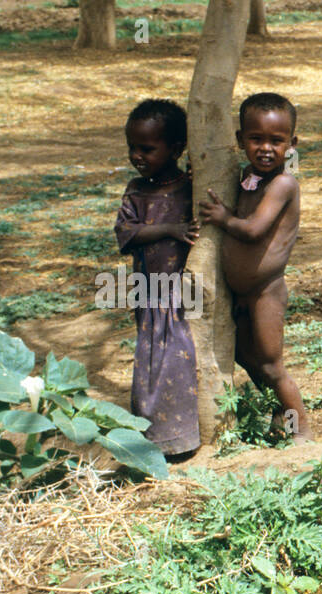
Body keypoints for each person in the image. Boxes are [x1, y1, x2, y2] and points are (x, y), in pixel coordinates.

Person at [198, 92, 310, 441]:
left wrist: (223, 217)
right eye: (256, 139)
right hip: (241, 294)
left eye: (276, 141)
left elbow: (253, 229)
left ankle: (301, 431)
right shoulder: (248, 177)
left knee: (272, 365)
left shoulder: (283, 184)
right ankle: (280, 411)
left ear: (292, 145)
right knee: (247, 357)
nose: (265, 148)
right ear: (240, 140)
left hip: (266, 292)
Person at [114, 98, 202, 458]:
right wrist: (171, 229)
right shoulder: (136, 190)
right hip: (149, 294)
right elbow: (126, 233)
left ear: (177, 149)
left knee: (178, 360)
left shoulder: (190, 188)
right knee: (151, 363)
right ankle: (156, 438)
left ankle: (181, 436)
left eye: (147, 148)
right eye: (132, 147)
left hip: (181, 295)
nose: (137, 155)